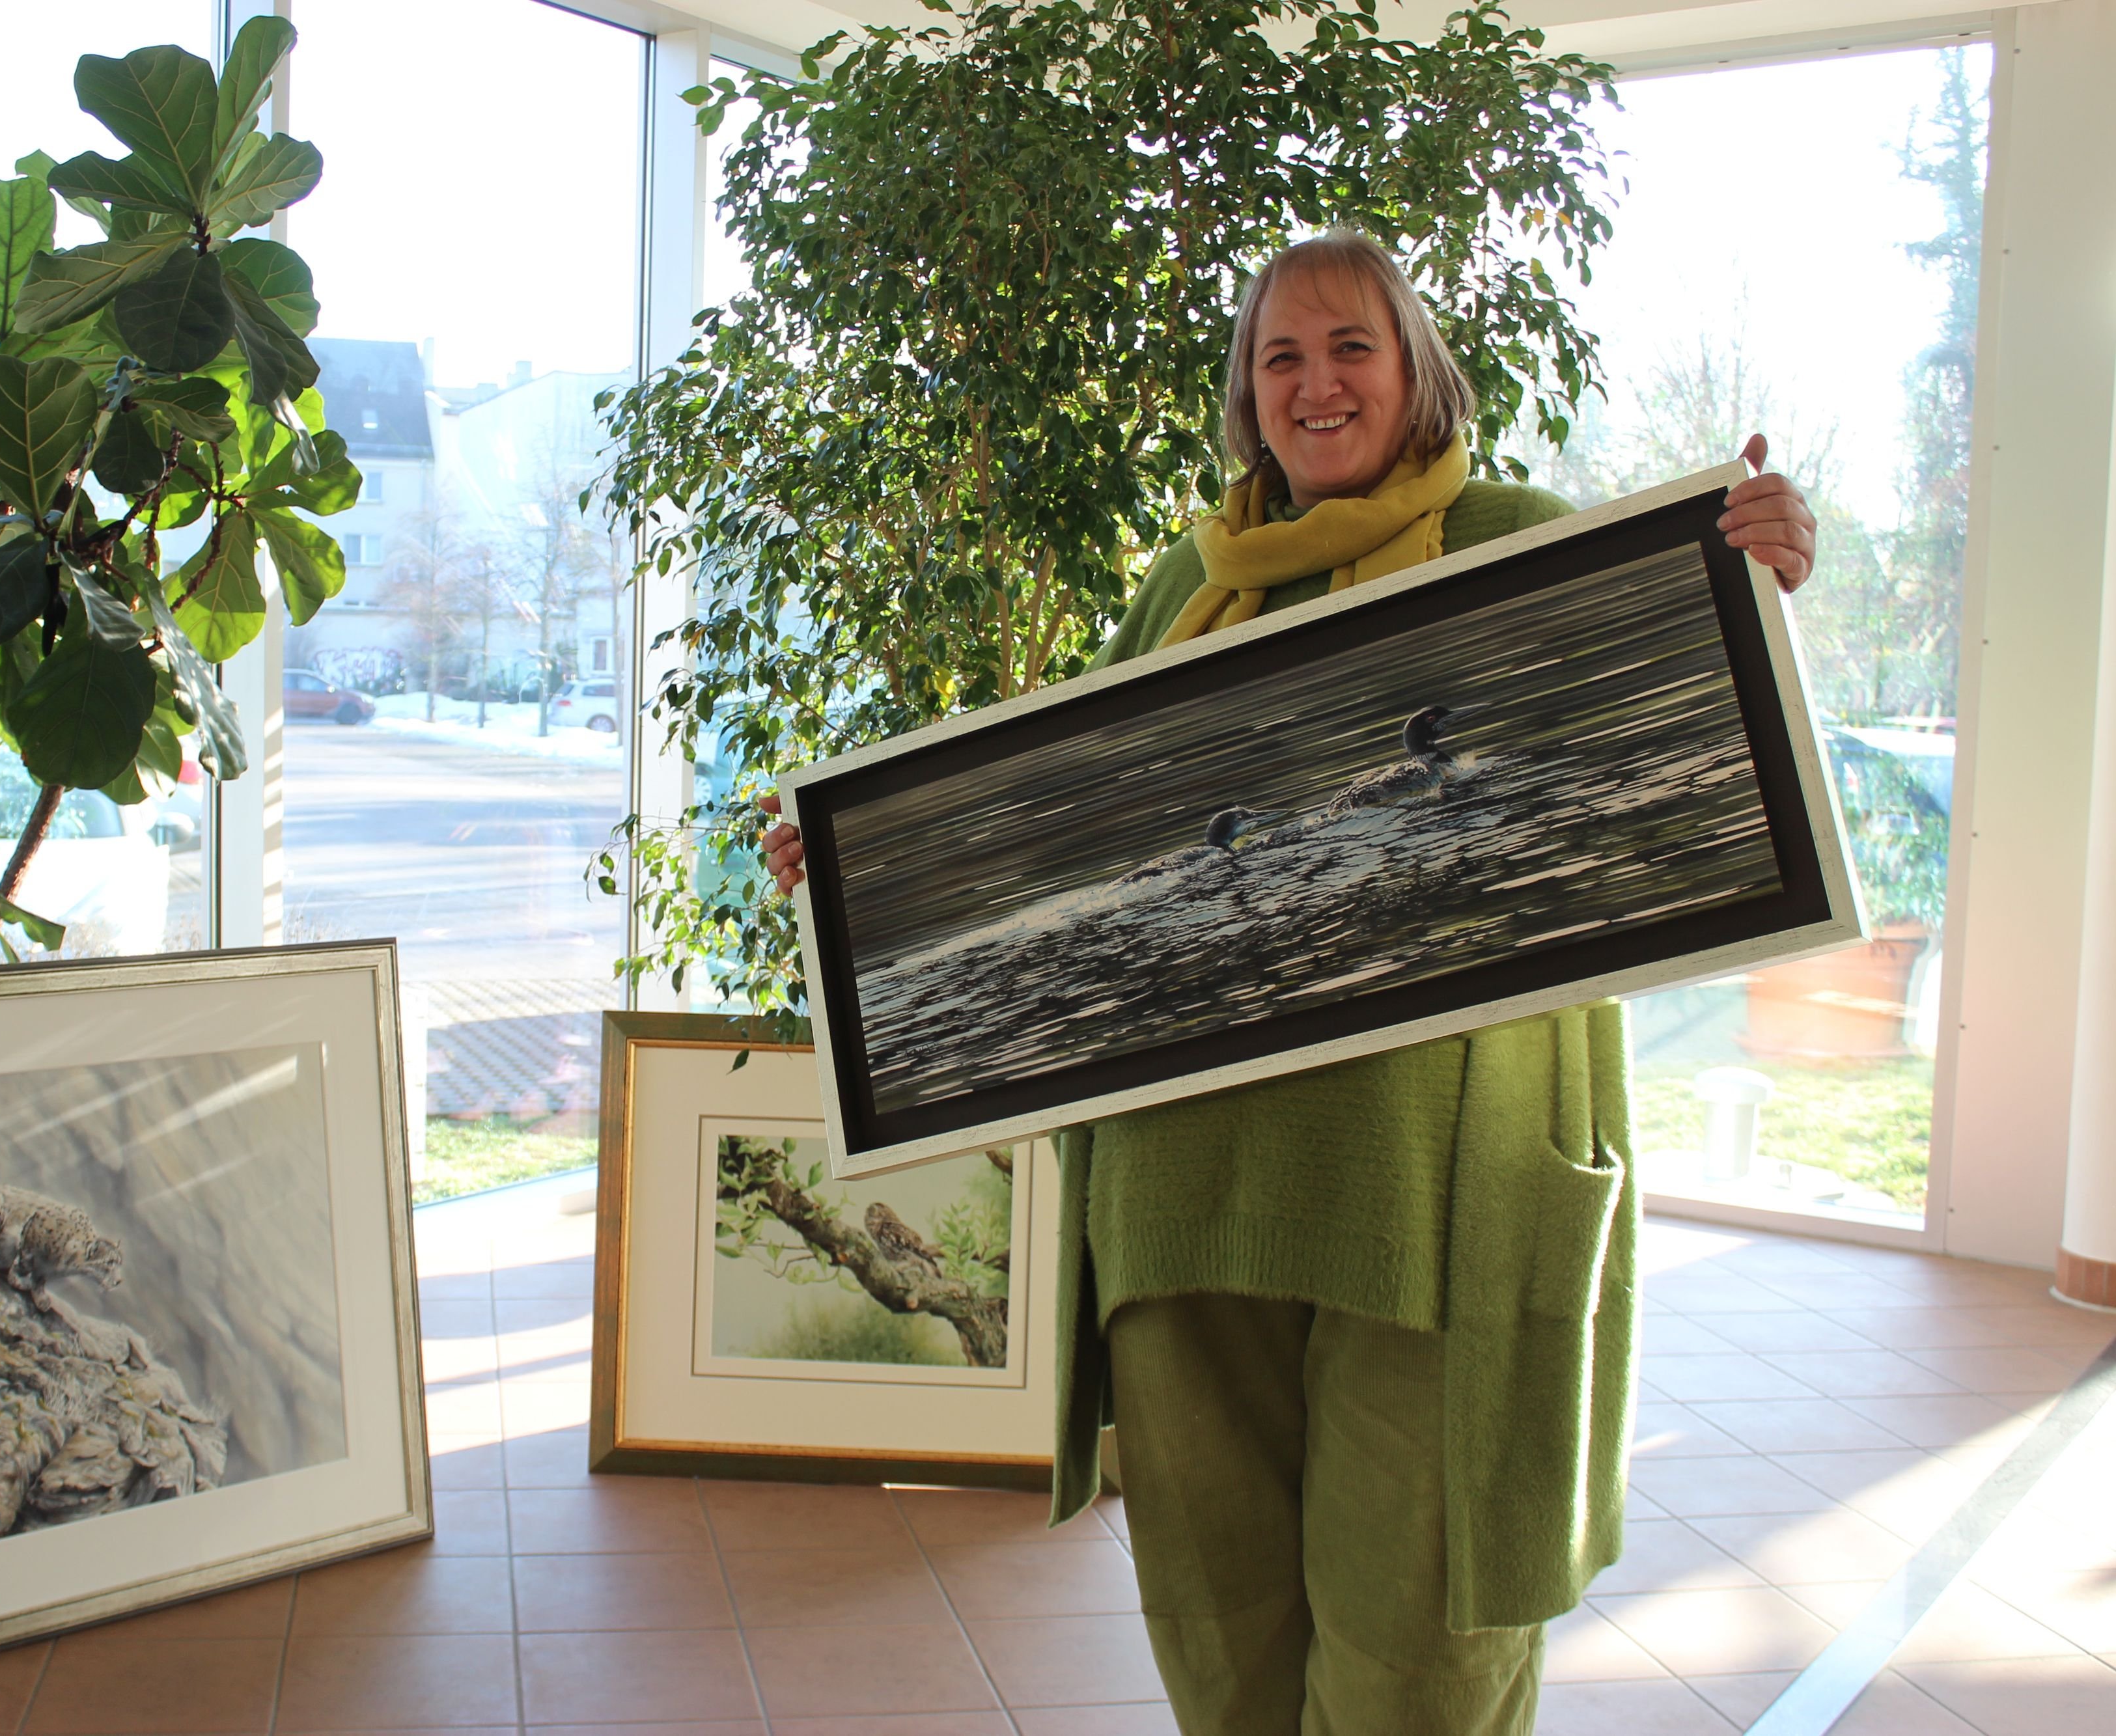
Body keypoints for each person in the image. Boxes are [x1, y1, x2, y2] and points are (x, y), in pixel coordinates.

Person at [759, 231, 1816, 1735]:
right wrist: (862, 878)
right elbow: (1049, 848)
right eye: (1279, 356)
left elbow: (1660, 762)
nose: (1314, 382)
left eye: (1349, 347)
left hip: (1428, 1195)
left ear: (1415, 368)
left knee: (1419, 1656)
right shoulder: (1180, 596)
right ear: (1246, 398)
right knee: (1221, 1627)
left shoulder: (1522, 537)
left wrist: (1757, 578)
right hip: (1183, 1196)